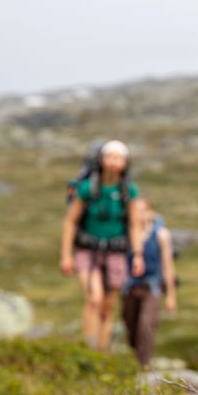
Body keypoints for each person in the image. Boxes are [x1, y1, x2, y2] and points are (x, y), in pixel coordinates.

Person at [60, 140, 144, 350]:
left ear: (125, 163)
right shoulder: (87, 188)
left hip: (116, 252)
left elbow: (135, 225)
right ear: (101, 160)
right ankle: (89, 348)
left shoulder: (129, 191)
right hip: (88, 251)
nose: (114, 162)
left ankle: (102, 351)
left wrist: (138, 254)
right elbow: (70, 221)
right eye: (110, 157)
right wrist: (66, 256)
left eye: (119, 158)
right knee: (94, 299)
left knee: (107, 307)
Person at [122, 198, 178, 367]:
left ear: (151, 212)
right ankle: (133, 360)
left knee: (146, 325)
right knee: (130, 326)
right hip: (129, 287)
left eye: (143, 210)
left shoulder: (161, 234)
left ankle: (144, 365)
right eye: (136, 211)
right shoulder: (127, 233)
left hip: (152, 287)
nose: (139, 215)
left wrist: (171, 296)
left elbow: (168, 265)